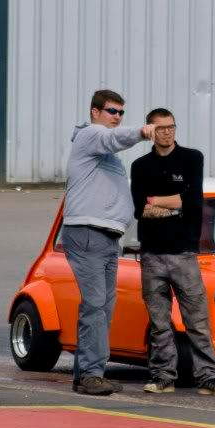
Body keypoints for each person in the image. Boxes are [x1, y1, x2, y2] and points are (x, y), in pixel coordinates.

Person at [130, 108, 215, 396]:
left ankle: (209, 379)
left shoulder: (191, 158)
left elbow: (193, 201)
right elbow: (139, 209)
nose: (167, 132)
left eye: (171, 127)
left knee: (197, 321)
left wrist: (155, 201)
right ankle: (163, 377)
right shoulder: (140, 166)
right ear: (150, 131)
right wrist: (175, 205)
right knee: (159, 323)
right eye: (161, 128)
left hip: (184, 254)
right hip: (151, 255)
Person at [63, 90, 156, 395]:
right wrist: (142, 132)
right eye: (112, 111)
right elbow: (113, 138)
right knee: (95, 306)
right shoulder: (90, 134)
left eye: (121, 113)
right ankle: (90, 375)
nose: (117, 117)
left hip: (106, 236)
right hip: (88, 232)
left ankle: (89, 373)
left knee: (102, 307)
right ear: (95, 112)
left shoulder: (106, 155)